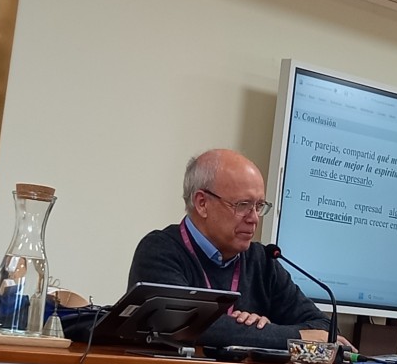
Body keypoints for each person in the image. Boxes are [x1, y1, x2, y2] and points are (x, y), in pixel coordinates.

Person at [127, 148, 333, 349]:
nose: (253, 219)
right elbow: (181, 325)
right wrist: (284, 335)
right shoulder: (159, 250)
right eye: (242, 205)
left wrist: (265, 327)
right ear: (202, 203)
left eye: (259, 206)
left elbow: (325, 330)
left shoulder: (261, 260)